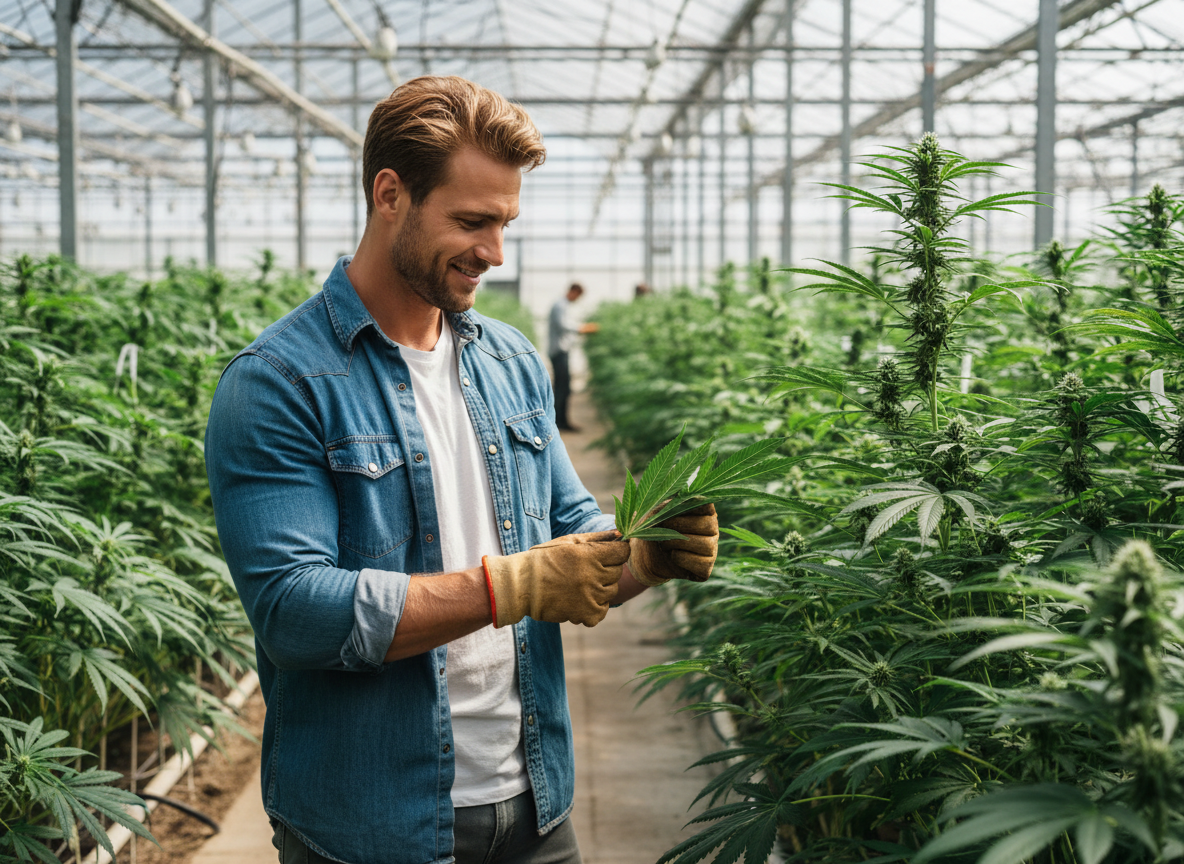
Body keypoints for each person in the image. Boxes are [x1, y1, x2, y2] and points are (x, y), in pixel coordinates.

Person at [204, 76, 719, 864]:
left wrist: (643, 554)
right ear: (390, 194)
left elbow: (568, 534)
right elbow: (292, 610)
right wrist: (506, 587)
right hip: (371, 823)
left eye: (506, 223)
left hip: (535, 803)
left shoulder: (509, 360)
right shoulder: (278, 381)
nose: (495, 252)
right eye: (472, 221)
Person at [547, 283, 597, 432]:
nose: (577, 299)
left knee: (564, 387)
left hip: (561, 351)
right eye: (578, 295)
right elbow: (564, 325)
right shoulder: (560, 305)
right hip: (558, 351)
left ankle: (561, 421)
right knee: (562, 388)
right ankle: (558, 422)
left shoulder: (562, 305)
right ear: (573, 291)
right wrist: (583, 328)